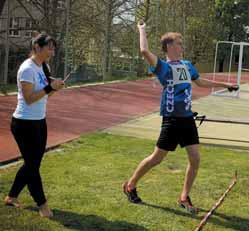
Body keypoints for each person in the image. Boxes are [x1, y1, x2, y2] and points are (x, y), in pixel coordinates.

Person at [122, 21, 238, 214]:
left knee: (195, 158)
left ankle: (184, 197)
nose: (182, 47)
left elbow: (200, 82)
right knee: (156, 158)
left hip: (187, 119)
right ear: (169, 46)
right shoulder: (162, 67)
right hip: (171, 120)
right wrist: (142, 29)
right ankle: (130, 185)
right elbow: (144, 51)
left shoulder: (187, 65)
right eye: (179, 43)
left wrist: (224, 85)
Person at [4, 33, 65, 218]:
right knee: (32, 166)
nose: (52, 52)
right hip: (23, 124)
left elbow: (45, 94)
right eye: (50, 48)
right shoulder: (27, 69)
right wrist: (49, 88)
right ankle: (42, 204)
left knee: (33, 163)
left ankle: (11, 196)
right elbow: (29, 99)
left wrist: (55, 87)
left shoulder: (43, 66)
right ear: (37, 47)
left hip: (39, 122)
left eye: (53, 48)